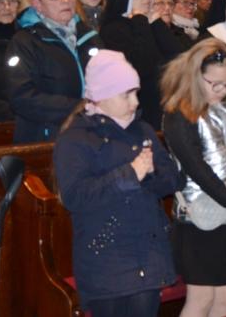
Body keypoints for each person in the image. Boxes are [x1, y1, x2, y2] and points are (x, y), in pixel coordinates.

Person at [54, 50, 183, 317]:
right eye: (126, 94)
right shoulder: (76, 138)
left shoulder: (142, 130)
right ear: (102, 95)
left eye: (136, 93)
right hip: (106, 258)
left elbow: (172, 179)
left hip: (148, 252)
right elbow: (75, 196)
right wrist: (129, 174)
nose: (135, 102)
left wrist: (150, 174)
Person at [161, 38, 226, 317]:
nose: (223, 90)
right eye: (215, 84)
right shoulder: (180, 113)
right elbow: (196, 168)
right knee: (201, 300)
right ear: (195, 76)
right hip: (202, 217)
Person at [6, 0, 103, 143]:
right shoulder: (24, 42)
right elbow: (22, 97)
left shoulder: (89, 36)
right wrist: (80, 107)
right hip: (48, 139)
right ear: (36, 2)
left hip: (93, 134)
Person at [100, 0, 181, 129]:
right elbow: (143, 65)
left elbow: (179, 58)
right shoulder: (113, 29)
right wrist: (139, 20)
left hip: (164, 108)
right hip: (138, 113)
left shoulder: (150, 22)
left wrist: (156, 22)